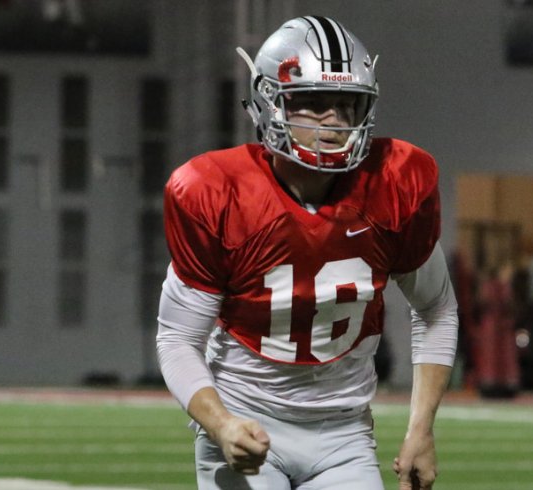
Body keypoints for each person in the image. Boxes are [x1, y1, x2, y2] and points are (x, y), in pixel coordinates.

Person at [156, 15, 458, 490]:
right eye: (314, 103)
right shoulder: (216, 191)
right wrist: (220, 424)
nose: (334, 121)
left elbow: (437, 309)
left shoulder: (394, 184)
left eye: (346, 104)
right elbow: (176, 339)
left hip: (344, 435)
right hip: (247, 420)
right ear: (268, 102)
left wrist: (422, 428)